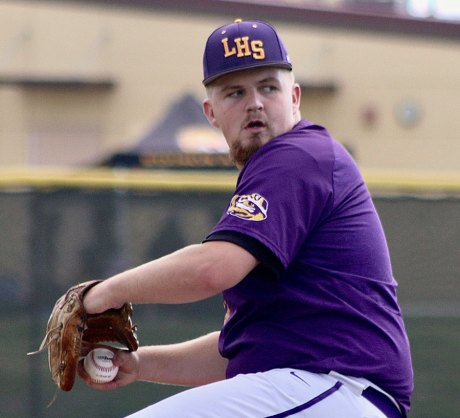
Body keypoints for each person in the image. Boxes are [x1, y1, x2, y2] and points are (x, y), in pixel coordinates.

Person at [79, 19, 413, 418]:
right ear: (211, 112)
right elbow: (241, 352)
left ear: (295, 97)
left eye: (268, 87)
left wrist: (102, 294)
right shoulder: (281, 170)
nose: (254, 102)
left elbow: (212, 269)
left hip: (336, 388)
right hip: (318, 393)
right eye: (235, 92)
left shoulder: (298, 156)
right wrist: (140, 364)